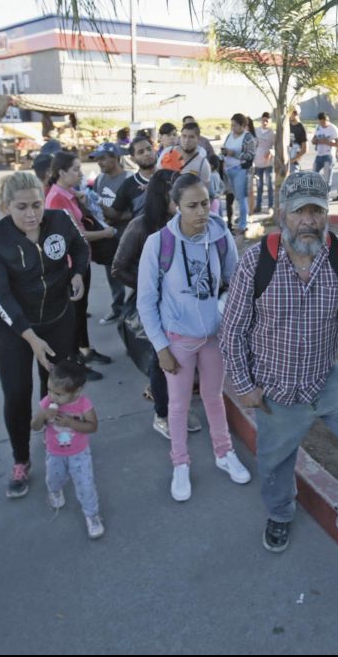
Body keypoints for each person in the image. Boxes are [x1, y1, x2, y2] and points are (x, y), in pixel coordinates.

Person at [220, 170, 338, 553]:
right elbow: (232, 330)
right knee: (274, 462)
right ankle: (280, 513)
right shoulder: (256, 261)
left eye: (316, 211)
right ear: (282, 214)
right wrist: (245, 386)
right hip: (274, 387)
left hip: (325, 379)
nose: (308, 221)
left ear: (327, 214)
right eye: (298, 211)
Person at [0, 171, 91, 499]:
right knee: (17, 392)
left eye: (37, 205)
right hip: (9, 327)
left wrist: (78, 274)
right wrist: (30, 338)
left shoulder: (61, 220)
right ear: (5, 207)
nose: (31, 214)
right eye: (21, 207)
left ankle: (56, 439)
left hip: (57, 318)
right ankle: (21, 460)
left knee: (54, 386)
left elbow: (81, 248)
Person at [138, 173, 249, 501]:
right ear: (176, 206)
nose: (202, 212)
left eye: (205, 203)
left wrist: (232, 323)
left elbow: (235, 281)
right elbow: (145, 301)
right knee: (178, 405)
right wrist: (161, 347)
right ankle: (180, 463)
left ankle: (224, 453)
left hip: (213, 337)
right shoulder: (159, 243)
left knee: (214, 398)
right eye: (192, 206)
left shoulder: (219, 234)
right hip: (178, 340)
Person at [113, 168, 204, 439]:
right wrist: (150, 287)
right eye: (176, 191)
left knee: (185, 358)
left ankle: (179, 408)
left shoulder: (187, 222)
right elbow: (118, 268)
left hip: (187, 306)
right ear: (162, 194)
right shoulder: (140, 226)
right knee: (161, 359)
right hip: (155, 307)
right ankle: (162, 414)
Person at [44, 151, 119, 375]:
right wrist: (105, 234)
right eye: (76, 170)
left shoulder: (67, 193)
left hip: (79, 261)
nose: (80, 174)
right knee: (73, 313)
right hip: (68, 266)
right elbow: (76, 234)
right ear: (61, 172)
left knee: (80, 308)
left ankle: (84, 350)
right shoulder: (57, 198)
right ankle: (75, 361)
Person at [30, 360, 104, 539]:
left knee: (86, 485)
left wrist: (71, 423)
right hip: (55, 452)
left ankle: (92, 514)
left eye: (58, 394)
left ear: (77, 391)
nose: (52, 397)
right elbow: (34, 426)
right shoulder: (47, 402)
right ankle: (55, 491)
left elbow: (93, 426)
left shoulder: (83, 404)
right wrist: (42, 414)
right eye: (49, 390)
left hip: (79, 453)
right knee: (53, 479)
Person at [90, 143, 133, 325]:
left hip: (129, 237)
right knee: (113, 275)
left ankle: (137, 311)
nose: (99, 162)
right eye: (97, 159)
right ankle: (118, 309)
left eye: (103, 158)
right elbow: (95, 205)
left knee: (136, 274)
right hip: (109, 238)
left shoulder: (129, 179)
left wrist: (116, 217)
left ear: (115, 158)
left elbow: (137, 209)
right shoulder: (100, 179)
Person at [221, 113, 257, 234]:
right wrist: (224, 153)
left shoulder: (248, 137)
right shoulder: (230, 135)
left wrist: (234, 154)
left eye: (235, 125)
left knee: (241, 198)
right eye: (231, 125)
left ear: (242, 126)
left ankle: (243, 225)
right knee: (235, 197)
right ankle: (238, 221)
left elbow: (250, 155)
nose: (232, 128)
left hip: (240, 170)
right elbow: (225, 148)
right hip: (228, 170)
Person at [253, 112, 276, 213]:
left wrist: (271, 152)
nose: (265, 122)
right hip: (258, 163)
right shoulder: (256, 131)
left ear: (270, 121)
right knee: (259, 186)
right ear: (261, 120)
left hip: (268, 163)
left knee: (269, 185)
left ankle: (270, 206)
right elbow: (253, 145)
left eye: (267, 120)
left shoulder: (272, 133)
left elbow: (275, 146)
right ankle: (258, 206)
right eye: (263, 120)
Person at [311, 112, 338, 192]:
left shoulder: (333, 128)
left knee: (327, 179)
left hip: (328, 156)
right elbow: (313, 140)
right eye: (321, 122)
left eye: (324, 122)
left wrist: (326, 142)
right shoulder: (318, 127)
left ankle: (326, 194)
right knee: (313, 175)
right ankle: (316, 192)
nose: (322, 124)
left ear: (327, 120)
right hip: (319, 155)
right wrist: (315, 141)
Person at [288, 107, 308, 175]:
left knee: (293, 180)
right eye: (290, 112)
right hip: (285, 161)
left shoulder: (301, 128)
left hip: (294, 163)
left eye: (294, 113)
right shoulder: (287, 125)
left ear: (298, 114)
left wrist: (292, 160)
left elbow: (305, 149)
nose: (292, 115)